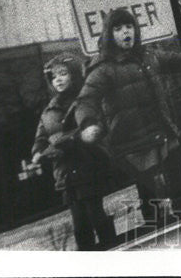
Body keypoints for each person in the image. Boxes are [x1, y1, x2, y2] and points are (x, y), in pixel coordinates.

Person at [74, 9, 181, 225]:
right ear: (110, 34)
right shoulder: (104, 68)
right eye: (118, 29)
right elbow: (85, 100)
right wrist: (88, 123)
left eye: (128, 27)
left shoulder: (149, 56)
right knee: (151, 203)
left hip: (164, 134)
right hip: (135, 144)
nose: (125, 32)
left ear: (135, 30)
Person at [31, 53, 117, 250]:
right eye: (53, 77)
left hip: (89, 166)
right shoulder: (49, 111)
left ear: (74, 75)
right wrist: (38, 151)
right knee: (80, 225)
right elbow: (41, 138)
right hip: (66, 174)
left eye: (63, 73)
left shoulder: (85, 100)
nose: (58, 80)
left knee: (96, 215)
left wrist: (59, 143)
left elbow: (92, 129)